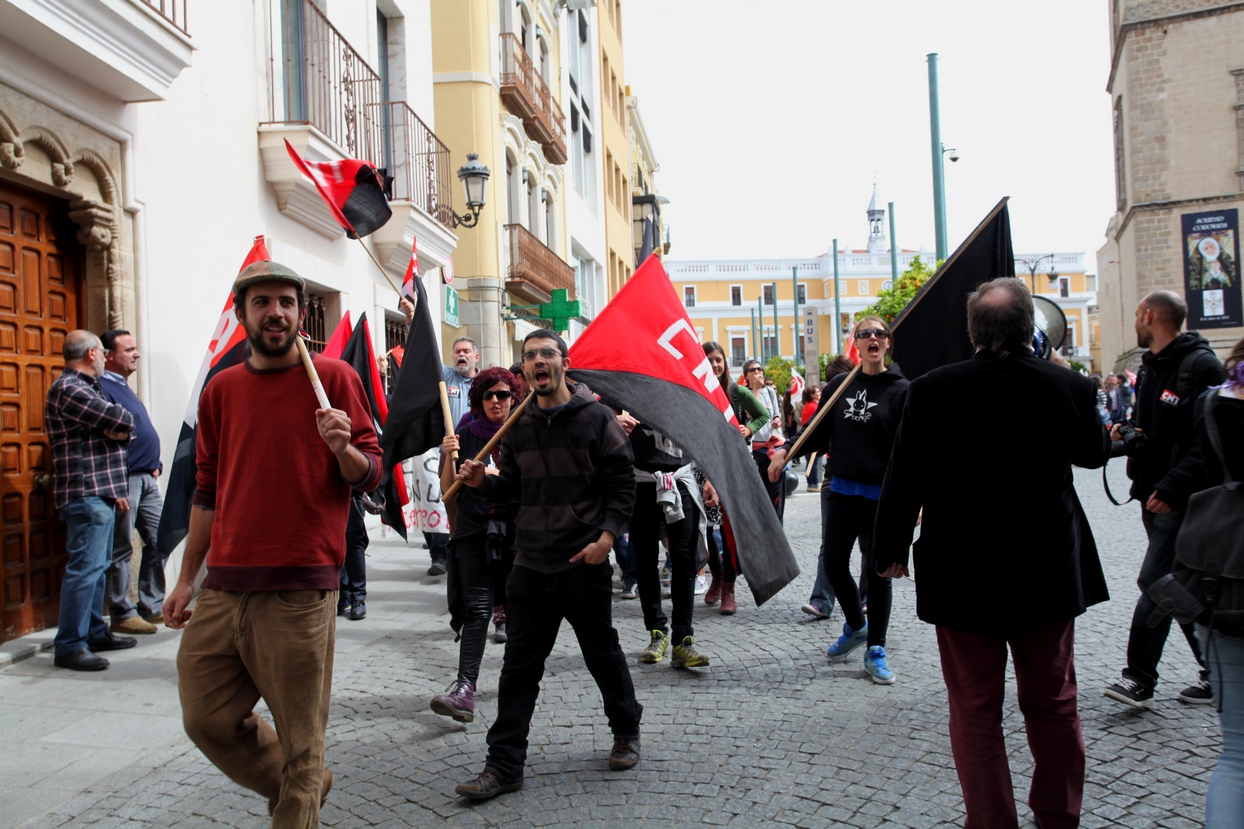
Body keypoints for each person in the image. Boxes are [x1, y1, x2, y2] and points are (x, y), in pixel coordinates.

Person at [872, 277, 1111, 829]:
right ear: (1030, 327)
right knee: (1052, 701)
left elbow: (902, 478)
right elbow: (1096, 454)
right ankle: (1058, 817)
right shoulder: (1066, 386)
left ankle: (990, 821)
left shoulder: (931, 390)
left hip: (963, 574)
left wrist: (889, 552)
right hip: (1045, 572)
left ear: (973, 331)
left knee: (975, 710)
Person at [165, 260, 383, 825]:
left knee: (302, 741)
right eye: (262, 303)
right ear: (243, 315)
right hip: (224, 585)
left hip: (299, 587)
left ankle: (300, 792)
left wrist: (344, 451)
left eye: (286, 301)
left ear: (300, 313)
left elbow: (371, 474)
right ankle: (301, 786)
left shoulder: (334, 379)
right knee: (206, 718)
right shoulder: (222, 389)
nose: (276, 312)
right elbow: (207, 491)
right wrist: (188, 577)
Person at [453, 330, 641, 801]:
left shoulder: (597, 419)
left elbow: (622, 488)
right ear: (524, 370)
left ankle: (626, 729)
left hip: (583, 560)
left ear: (564, 362)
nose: (538, 361)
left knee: (602, 655)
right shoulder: (518, 424)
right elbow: (514, 488)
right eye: (529, 356)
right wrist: (483, 481)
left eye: (546, 354)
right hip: (531, 563)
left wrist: (605, 540)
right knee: (518, 667)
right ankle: (504, 765)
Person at [1104, 290, 1226, 709]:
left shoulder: (1201, 366)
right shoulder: (1152, 367)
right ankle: (1219, 671)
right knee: (1180, 585)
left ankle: (1139, 677)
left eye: (1137, 315)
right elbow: (1154, 434)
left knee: (1155, 581)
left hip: (1181, 500)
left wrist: (1173, 486)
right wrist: (1127, 436)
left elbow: (1206, 441)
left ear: (1150, 316)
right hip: (1151, 496)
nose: (1136, 322)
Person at [770, 315, 908, 684]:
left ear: (888, 343)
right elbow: (817, 434)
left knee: (878, 573)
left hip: (882, 495)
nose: (872, 338)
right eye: (865, 334)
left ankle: (875, 647)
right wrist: (786, 452)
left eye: (879, 333)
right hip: (844, 489)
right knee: (833, 564)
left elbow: (910, 450)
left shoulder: (901, 389)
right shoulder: (840, 385)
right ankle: (856, 625)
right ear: (857, 344)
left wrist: (917, 500)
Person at [1159, 336, 1244, 829]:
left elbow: (1204, 471)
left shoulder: (1218, 402)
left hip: (1224, 575)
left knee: (1236, 752)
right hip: (1223, 581)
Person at [431, 367, 523, 723]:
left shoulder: (521, 433)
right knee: (477, 611)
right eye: (489, 395)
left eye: (502, 394)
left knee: (519, 611)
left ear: (514, 397)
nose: (496, 401)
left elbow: (527, 482)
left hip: (516, 532)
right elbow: (447, 492)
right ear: (478, 400)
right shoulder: (465, 433)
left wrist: (494, 477)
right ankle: (465, 689)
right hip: (474, 532)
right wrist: (447, 456)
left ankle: (517, 683)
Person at [45, 330, 136, 671]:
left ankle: (95, 631)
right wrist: (116, 427)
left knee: (96, 571)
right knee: (85, 570)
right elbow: (124, 418)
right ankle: (69, 644)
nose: (103, 358)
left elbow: (125, 427)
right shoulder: (70, 388)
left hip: (99, 490)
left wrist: (117, 429)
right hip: (84, 492)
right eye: (101, 352)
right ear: (91, 355)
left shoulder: (86, 388)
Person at [401, 299, 478, 576]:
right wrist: (412, 320)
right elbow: (422, 354)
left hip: (478, 452)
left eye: (466, 351)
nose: (461, 355)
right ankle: (447, 554)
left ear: (475, 357)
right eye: (457, 350)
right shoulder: (445, 376)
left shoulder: (486, 385)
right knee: (447, 503)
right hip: (447, 455)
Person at [98, 329, 167, 635]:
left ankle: (151, 606)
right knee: (121, 546)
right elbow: (106, 435)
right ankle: (121, 612)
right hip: (125, 478)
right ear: (109, 355)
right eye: (129, 349)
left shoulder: (123, 386)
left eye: (136, 348)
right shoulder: (101, 387)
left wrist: (155, 462)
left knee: (160, 539)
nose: (136, 354)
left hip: (147, 475)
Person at [628, 422, 710, 670]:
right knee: (645, 560)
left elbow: (703, 430)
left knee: (684, 561)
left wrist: (710, 478)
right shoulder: (629, 387)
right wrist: (614, 420)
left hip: (680, 479)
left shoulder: (684, 384)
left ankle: (682, 640)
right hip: (642, 481)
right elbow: (603, 414)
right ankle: (657, 633)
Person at [700, 343, 768, 615]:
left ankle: (728, 588)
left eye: (719, 360)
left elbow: (763, 414)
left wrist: (748, 428)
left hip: (733, 468)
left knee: (730, 533)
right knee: (704, 530)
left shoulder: (736, 393)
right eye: (709, 360)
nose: (715, 365)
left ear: (725, 363)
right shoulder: (696, 391)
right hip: (700, 467)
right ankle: (715, 575)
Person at [801, 354, 858, 621]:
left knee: (871, 548)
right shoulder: (831, 401)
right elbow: (815, 434)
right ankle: (822, 600)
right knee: (830, 545)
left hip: (870, 483)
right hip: (834, 481)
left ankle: (867, 600)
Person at [742, 359, 786, 521]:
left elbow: (776, 412)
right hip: (755, 450)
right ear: (746, 375)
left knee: (775, 494)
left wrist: (776, 419)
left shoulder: (770, 392)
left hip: (773, 447)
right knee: (759, 495)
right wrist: (756, 390)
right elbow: (751, 414)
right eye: (753, 370)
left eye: (760, 369)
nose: (757, 372)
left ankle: (777, 528)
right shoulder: (744, 393)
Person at [799, 384, 822, 492]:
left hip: (808, 436)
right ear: (811, 395)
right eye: (817, 392)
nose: (819, 393)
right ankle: (814, 484)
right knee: (813, 462)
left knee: (811, 462)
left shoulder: (808, 405)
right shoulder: (813, 406)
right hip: (812, 436)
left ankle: (812, 483)